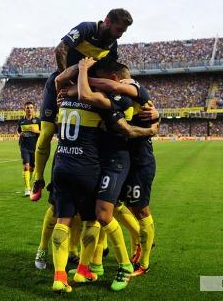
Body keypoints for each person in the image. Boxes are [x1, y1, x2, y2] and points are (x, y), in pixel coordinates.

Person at [50, 57, 158, 293]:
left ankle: (127, 265)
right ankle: (93, 266)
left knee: (105, 212)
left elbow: (125, 127)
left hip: (119, 161)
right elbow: (66, 85)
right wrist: (75, 84)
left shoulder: (126, 93)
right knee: (107, 211)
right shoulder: (93, 97)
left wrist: (82, 74)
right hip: (99, 160)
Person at [31, 8, 133, 201]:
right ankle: (38, 179)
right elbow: (60, 50)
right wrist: (67, 84)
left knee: (79, 136)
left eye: (123, 32)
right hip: (60, 83)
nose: (120, 35)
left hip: (83, 87)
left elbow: (106, 69)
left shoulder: (112, 44)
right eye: (118, 29)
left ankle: (69, 179)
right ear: (107, 22)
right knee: (46, 132)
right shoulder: (86, 29)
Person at [89, 73, 161, 277]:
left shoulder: (138, 94)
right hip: (121, 163)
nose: (123, 87)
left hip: (140, 163)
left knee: (141, 210)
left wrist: (84, 77)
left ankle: (144, 262)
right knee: (116, 206)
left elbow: (139, 126)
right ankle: (134, 243)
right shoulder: (124, 101)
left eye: (124, 84)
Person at [17, 102, 40, 196]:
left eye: (31, 108)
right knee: (26, 166)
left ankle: (28, 184)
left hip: (35, 147)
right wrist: (20, 134)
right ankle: (27, 188)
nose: (29, 109)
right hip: (24, 147)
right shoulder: (21, 121)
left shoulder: (38, 121)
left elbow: (43, 132)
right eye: (27, 108)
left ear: (33, 109)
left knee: (32, 168)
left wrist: (36, 131)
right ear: (24, 109)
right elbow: (18, 131)